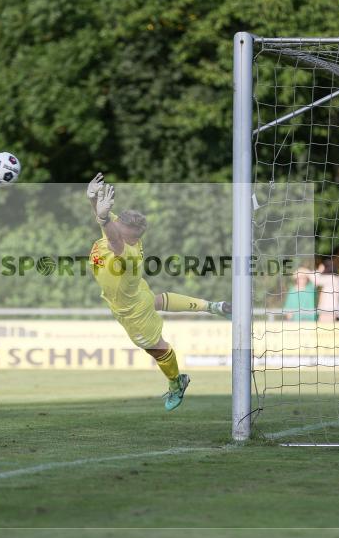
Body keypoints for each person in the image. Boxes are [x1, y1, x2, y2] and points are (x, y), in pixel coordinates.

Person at [86, 173, 231, 411]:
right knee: (157, 301)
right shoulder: (119, 229)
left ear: (129, 237)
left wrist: (102, 218)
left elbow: (112, 236)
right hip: (138, 293)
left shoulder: (128, 253)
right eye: (114, 222)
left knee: (157, 348)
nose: (113, 227)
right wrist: (93, 199)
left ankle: (176, 382)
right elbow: (108, 222)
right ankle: (213, 307)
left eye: (116, 226)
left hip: (132, 311)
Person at [314, 258, 339, 322]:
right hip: (334, 311)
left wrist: (319, 271)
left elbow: (316, 280)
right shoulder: (338, 280)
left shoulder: (331, 278)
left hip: (329, 311)